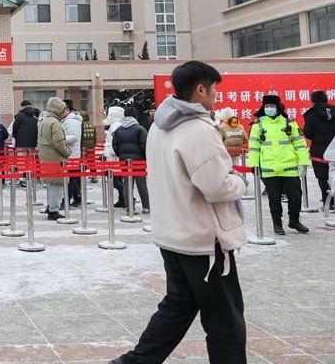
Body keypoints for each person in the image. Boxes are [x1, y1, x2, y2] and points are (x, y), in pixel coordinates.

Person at [110, 61, 247, 364]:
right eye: (214, 90)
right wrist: (239, 180)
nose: (216, 96)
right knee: (225, 321)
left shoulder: (159, 126)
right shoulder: (198, 130)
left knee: (177, 307)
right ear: (200, 90)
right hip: (203, 240)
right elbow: (216, 186)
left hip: (172, 234)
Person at [248, 94, 310, 235]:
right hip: (269, 168)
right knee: (274, 199)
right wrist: (254, 165)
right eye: (267, 106)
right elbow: (254, 147)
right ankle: (277, 224)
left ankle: (294, 220)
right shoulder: (258, 125)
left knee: (295, 196)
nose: (269, 108)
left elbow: (300, 144)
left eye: (272, 106)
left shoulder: (289, 123)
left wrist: (303, 163)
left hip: (289, 167)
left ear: (278, 107)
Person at [112, 107, 150, 214]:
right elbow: (145, 146)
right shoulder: (140, 129)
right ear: (136, 116)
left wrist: (121, 155)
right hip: (139, 161)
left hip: (124, 161)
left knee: (127, 184)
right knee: (141, 184)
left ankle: (129, 207)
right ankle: (146, 206)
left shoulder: (119, 130)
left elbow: (115, 146)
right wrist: (144, 158)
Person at [39, 97, 71, 221]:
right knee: (57, 186)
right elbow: (59, 143)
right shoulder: (56, 123)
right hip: (56, 158)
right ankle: (54, 210)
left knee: (51, 185)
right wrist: (67, 153)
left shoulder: (44, 121)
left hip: (46, 157)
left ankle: (50, 206)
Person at [302, 90, 335, 210]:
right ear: (326, 98)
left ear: (313, 100)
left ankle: (328, 203)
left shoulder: (311, 115)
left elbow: (308, 133)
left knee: (323, 177)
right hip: (334, 147)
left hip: (319, 149)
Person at [103, 105, 126, 206]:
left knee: (113, 178)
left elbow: (113, 142)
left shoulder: (115, 126)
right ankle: (122, 199)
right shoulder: (118, 124)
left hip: (113, 156)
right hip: (114, 155)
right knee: (117, 178)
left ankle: (126, 195)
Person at [62, 99, 83, 207]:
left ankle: (66, 199)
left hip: (72, 153)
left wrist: (60, 139)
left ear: (67, 109)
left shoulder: (71, 121)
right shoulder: (69, 120)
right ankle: (77, 197)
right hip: (72, 153)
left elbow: (74, 137)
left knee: (70, 178)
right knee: (73, 178)